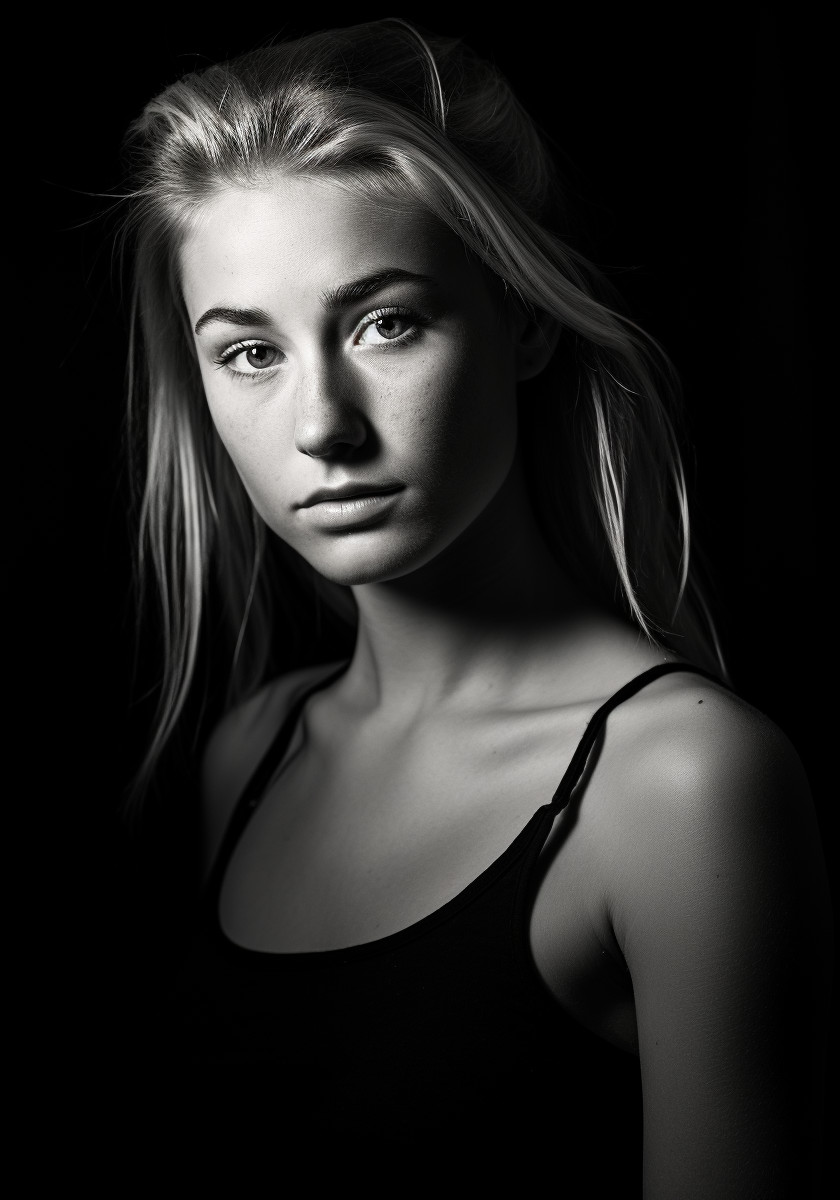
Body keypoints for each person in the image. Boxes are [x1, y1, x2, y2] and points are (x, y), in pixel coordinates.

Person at [120, 19, 830, 1193]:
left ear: (526, 317)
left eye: (386, 322)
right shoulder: (249, 753)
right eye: (250, 354)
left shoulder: (681, 787)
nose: (322, 427)